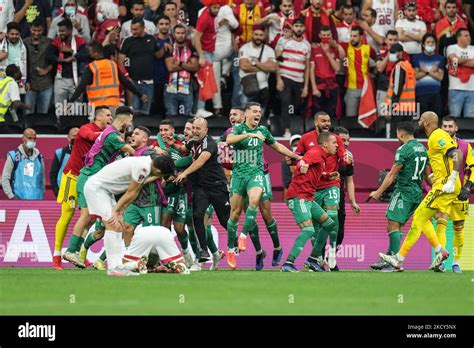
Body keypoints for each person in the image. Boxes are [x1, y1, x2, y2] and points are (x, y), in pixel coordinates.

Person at [379, 112, 462, 271]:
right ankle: (438, 252)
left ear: (426, 122)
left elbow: (457, 153)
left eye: (421, 119)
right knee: (423, 219)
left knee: (419, 218)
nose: (419, 121)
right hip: (443, 183)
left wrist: (452, 179)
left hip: (445, 185)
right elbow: (442, 161)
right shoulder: (433, 139)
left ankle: (399, 259)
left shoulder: (437, 135)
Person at [225, 102, 301, 269]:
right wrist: (249, 136)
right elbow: (229, 140)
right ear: (246, 115)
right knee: (235, 215)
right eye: (254, 111)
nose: (258, 114)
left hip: (256, 173)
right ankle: (231, 249)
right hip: (238, 175)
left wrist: (295, 155)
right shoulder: (238, 129)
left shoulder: (263, 131)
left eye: (259, 111)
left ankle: (243, 236)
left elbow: (277, 146)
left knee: (255, 201)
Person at [62, 106, 135, 268]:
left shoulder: (109, 132)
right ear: (123, 120)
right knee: (86, 216)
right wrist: (148, 159)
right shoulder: (111, 135)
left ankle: (76, 251)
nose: (130, 125)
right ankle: (71, 250)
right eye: (130, 121)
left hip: (94, 179)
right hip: (89, 178)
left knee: (91, 218)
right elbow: (129, 150)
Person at [84, 154, 175, 276]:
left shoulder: (145, 164)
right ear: (158, 171)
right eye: (161, 175)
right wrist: (116, 211)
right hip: (97, 189)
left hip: (106, 191)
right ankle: (113, 268)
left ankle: (118, 266)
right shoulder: (143, 167)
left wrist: (121, 211)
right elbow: (131, 191)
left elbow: (135, 192)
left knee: (118, 227)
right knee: (112, 225)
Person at [52, 106, 111, 270]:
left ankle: (77, 252)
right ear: (98, 117)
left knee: (90, 216)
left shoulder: (107, 135)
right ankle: (57, 256)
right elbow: (91, 136)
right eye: (108, 115)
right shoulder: (86, 128)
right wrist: (109, 133)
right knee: (67, 214)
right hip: (72, 176)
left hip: (89, 179)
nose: (110, 118)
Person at [169, 117, 231, 263]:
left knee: (225, 220)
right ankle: (203, 251)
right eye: (194, 128)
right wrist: (174, 145)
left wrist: (184, 173)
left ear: (206, 130)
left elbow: (200, 162)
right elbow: (184, 149)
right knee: (197, 216)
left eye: (198, 129)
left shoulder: (210, 144)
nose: (195, 131)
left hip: (217, 186)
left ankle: (235, 242)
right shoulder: (192, 141)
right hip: (201, 187)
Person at [369, 122, 429, 271]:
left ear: (401, 134)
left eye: (397, 134)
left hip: (403, 191)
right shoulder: (423, 148)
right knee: (399, 226)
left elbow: (392, 174)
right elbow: (427, 175)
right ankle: (389, 259)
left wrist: (378, 192)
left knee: (392, 223)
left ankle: (395, 262)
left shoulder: (403, 149)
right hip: (416, 193)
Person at [280, 131, 339, 272]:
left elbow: (313, 169)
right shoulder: (316, 153)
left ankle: (313, 260)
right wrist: (302, 166)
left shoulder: (321, 158)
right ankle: (288, 263)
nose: (337, 145)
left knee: (329, 223)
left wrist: (327, 175)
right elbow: (303, 162)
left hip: (308, 198)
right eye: (334, 142)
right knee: (308, 229)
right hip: (298, 196)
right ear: (325, 144)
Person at [437, 116, 474, 273]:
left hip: (459, 193)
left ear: (456, 128)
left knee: (458, 227)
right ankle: (440, 261)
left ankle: (456, 263)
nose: (447, 129)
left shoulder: (465, 146)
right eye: (444, 126)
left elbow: (472, 167)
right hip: (442, 192)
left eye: (450, 126)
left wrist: (467, 187)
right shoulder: (436, 144)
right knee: (441, 223)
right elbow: (430, 169)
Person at [69, 42, 146, 109]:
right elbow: (126, 82)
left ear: (95, 53)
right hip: (113, 105)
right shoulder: (112, 65)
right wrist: (140, 95)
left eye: (89, 52)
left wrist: (71, 101)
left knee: (97, 126)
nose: (88, 54)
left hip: (97, 107)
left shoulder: (91, 67)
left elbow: (82, 86)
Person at [276, 18, 310, 137]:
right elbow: (277, 59)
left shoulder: (307, 45)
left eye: (301, 26)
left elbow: (307, 67)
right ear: (293, 28)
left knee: (295, 105)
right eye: (296, 26)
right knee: (286, 102)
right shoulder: (283, 41)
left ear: (304, 28)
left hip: (299, 79)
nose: (299, 28)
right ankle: (286, 130)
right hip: (285, 76)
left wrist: (306, 87)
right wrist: (278, 79)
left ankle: (294, 128)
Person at [118, 17, 159, 115]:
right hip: (133, 83)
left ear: (143, 28)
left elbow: (158, 55)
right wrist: (127, 77)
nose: (133, 31)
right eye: (132, 29)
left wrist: (166, 47)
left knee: (146, 113)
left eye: (135, 29)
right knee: (134, 112)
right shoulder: (127, 41)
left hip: (148, 83)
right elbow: (120, 62)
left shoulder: (151, 39)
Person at [332, 126, 360, 270]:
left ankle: (330, 258)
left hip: (339, 196)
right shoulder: (322, 152)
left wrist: (353, 201)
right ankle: (316, 258)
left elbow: (349, 180)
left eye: (348, 140)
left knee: (340, 231)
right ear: (334, 139)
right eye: (343, 140)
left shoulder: (348, 156)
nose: (347, 143)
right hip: (320, 194)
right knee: (321, 229)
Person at [47, 18, 88, 109]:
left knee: (76, 109)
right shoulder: (56, 41)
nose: (60, 33)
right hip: (60, 79)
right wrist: (64, 61)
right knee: (60, 108)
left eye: (63, 31)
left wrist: (71, 51)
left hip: (76, 79)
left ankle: (74, 123)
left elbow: (85, 57)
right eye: (59, 31)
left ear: (70, 30)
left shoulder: (79, 41)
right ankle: (60, 123)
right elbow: (49, 56)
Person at [239, 24, 277, 113]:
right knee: (245, 115)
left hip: (264, 88)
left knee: (260, 117)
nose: (258, 37)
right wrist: (264, 66)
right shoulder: (244, 48)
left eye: (261, 35)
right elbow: (244, 66)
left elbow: (273, 68)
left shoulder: (269, 50)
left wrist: (254, 63)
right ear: (252, 35)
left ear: (264, 36)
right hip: (248, 87)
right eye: (256, 34)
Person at [163, 24, 199, 116]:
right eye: (178, 33)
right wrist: (186, 64)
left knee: (187, 116)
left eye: (183, 33)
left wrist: (179, 63)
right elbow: (170, 67)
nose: (180, 35)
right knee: (171, 116)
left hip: (187, 87)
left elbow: (195, 67)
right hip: (170, 87)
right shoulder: (169, 48)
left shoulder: (192, 48)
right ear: (173, 34)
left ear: (186, 34)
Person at [123, 225, 190, 274]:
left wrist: (153, 269)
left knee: (125, 264)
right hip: (164, 233)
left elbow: (123, 263)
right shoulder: (158, 261)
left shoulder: (139, 230)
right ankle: (174, 265)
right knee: (181, 263)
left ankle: (136, 264)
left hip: (143, 234)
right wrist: (166, 269)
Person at [194, 0, 221, 118]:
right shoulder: (204, 18)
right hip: (204, 52)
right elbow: (196, 38)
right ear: (209, 6)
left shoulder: (214, 15)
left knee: (207, 81)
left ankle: (201, 107)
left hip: (210, 51)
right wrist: (201, 56)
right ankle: (200, 108)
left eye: (218, 7)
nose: (216, 10)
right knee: (204, 81)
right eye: (214, 7)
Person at [341, 26, 376, 118]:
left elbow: (378, 59)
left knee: (367, 115)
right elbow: (334, 44)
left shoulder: (368, 49)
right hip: (351, 88)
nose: (352, 38)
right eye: (351, 36)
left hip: (366, 88)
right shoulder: (346, 46)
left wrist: (374, 73)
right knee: (350, 117)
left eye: (355, 36)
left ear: (361, 37)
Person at [1, 127, 45, 200]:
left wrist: (41, 196)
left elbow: (42, 180)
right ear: (23, 138)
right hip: (18, 201)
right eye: (29, 138)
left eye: (34, 138)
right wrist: (12, 196)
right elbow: (5, 178)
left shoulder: (39, 158)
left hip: (36, 202)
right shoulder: (13, 156)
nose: (32, 141)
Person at [383, 43, 416, 138]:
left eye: (394, 52)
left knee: (395, 138)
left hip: (398, 108)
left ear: (401, 53)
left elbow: (397, 90)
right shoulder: (408, 66)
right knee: (407, 138)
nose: (391, 54)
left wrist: (390, 109)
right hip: (409, 108)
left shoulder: (399, 67)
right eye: (390, 52)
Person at [309, 25, 343, 118]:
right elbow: (311, 70)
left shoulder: (335, 49)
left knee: (330, 115)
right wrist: (314, 88)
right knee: (317, 114)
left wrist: (327, 52)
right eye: (324, 35)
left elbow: (337, 68)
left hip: (332, 87)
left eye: (328, 35)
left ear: (331, 35)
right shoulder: (314, 49)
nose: (326, 37)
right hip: (319, 86)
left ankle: (329, 132)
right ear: (320, 35)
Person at [375, 30, 410, 117]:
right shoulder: (381, 52)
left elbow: (406, 70)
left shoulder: (404, 54)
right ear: (386, 40)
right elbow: (379, 68)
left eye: (395, 40)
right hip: (383, 89)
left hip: (397, 92)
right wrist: (389, 54)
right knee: (382, 116)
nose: (392, 42)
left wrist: (397, 55)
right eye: (390, 40)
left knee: (396, 116)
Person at [24, 19, 53, 115]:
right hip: (30, 85)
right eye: (34, 30)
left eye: (39, 31)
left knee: (43, 115)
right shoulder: (24, 43)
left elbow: (56, 60)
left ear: (43, 30)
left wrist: (46, 70)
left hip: (46, 83)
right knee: (28, 114)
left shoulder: (49, 42)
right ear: (30, 29)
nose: (36, 33)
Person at [412, 33, 445, 116]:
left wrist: (425, 71)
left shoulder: (440, 58)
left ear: (435, 44)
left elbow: (440, 77)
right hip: (420, 94)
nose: (430, 44)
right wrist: (431, 71)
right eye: (428, 42)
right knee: (422, 121)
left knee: (436, 121)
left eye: (432, 42)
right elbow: (415, 76)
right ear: (423, 44)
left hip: (435, 94)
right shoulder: (416, 58)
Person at [446, 28, 474, 118]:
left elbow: (457, 60)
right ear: (459, 38)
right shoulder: (451, 48)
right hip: (455, 89)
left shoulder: (473, 49)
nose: (469, 37)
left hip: (472, 90)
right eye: (466, 36)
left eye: (469, 35)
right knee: (454, 118)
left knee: (470, 121)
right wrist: (470, 61)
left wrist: (460, 62)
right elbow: (454, 59)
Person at [50, 127, 78, 196]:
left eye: (79, 136)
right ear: (68, 138)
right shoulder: (60, 153)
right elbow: (53, 174)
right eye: (74, 136)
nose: (76, 139)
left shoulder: (86, 154)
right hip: (63, 193)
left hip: (79, 193)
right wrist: (57, 192)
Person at [0, 22, 27, 92]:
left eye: (17, 34)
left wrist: (28, 81)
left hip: (19, 79)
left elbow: (27, 63)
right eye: (12, 34)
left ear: (20, 34)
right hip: (4, 78)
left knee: (18, 100)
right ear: (7, 33)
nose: (14, 36)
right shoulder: (1, 45)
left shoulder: (24, 46)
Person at [0, 64, 30, 128]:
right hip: (1, 119)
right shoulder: (12, 84)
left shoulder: (2, 81)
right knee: (12, 137)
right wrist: (27, 107)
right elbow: (16, 103)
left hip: (3, 117)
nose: (20, 73)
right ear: (15, 73)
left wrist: (15, 119)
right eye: (19, 71)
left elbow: (12, 106)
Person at [282, 134, 301, 199]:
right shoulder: (286, 160)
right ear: (291, 146)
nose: (297, 147)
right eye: (295, 145)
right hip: (293, 190)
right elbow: (286, 181)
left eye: (299, 145)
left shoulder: (308, 157)